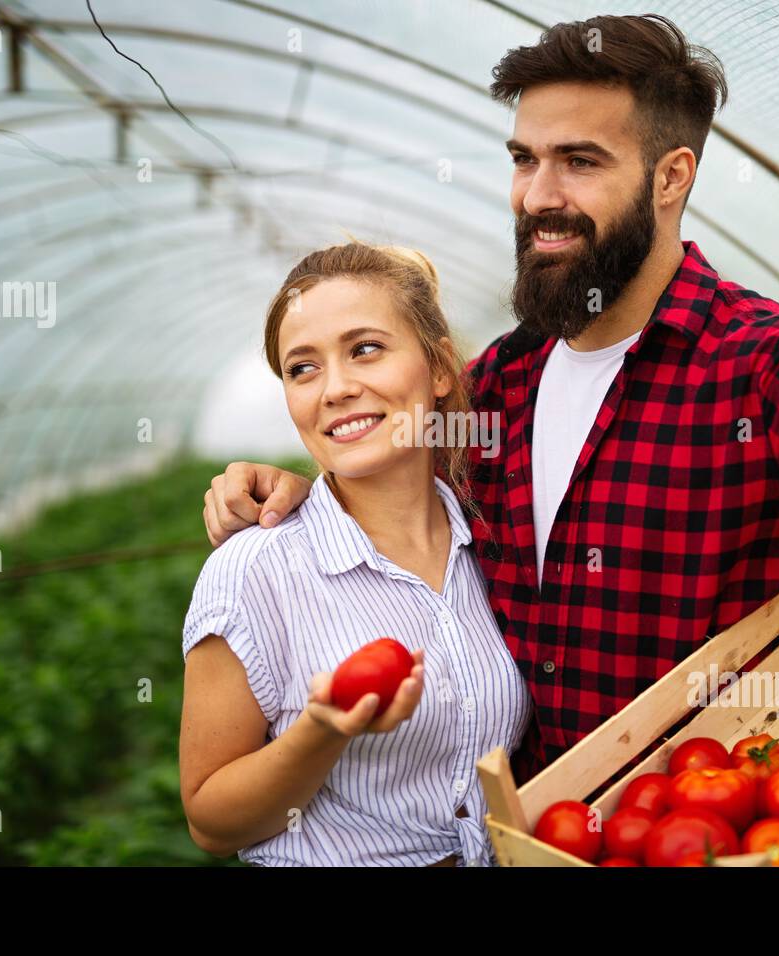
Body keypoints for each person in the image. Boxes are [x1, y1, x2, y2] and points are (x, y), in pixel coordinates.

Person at [200, 14, 779, 866]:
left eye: (580, 161)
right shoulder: (502, 385)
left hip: (720, 833)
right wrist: (271, 486)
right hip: (546, 841)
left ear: (672, 177)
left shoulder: (774, 373)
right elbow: (376, 464)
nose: (539, 197)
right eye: (524, 159)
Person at [180, 242, 532, 866]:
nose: (336, 389)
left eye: (365, 348)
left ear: (440, 367)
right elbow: (211, 821)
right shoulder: (253, 570)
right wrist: (325, 730)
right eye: (302, 368)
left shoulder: (496, 541)